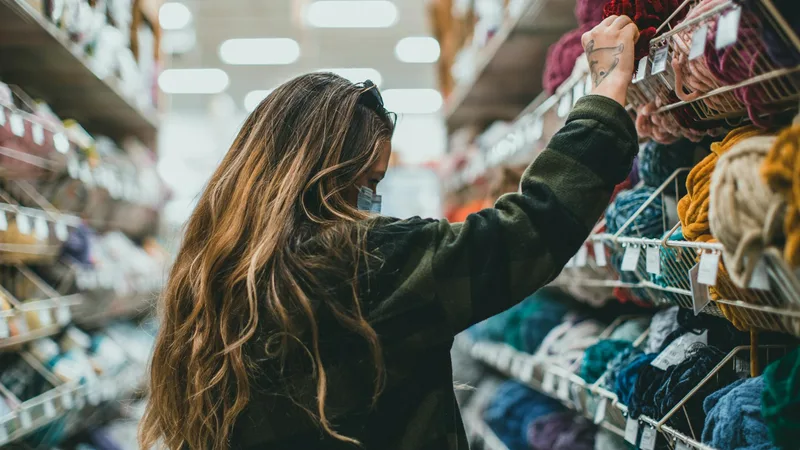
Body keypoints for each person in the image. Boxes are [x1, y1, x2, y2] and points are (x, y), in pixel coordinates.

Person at [140, 15, 640, 450]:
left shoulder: (212, 274)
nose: (369, 206)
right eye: (368, 184)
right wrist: (603, 97)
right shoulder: (369, 263)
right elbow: (528, 230)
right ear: (326, 177)